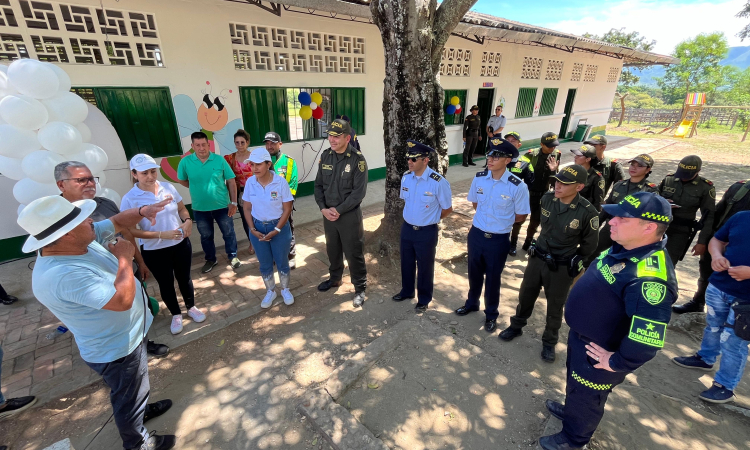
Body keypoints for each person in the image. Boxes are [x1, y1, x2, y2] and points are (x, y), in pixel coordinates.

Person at [19, 195, 176, 450]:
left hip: (128, 337)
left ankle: (142, 411)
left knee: (135, 392)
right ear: (67, 233)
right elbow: (122, 300)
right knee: (128, 399)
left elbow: (115, 221)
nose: (91, 221)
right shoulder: (61, 274)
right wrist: (125, 257)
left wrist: (143, 210)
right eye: (82, 220)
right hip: (116, 350)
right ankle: (138, 443)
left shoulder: (78, 241)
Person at [538, 191, 677, 450]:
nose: (611, 221)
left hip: (599, 353)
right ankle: (571, 413)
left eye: (622, 219)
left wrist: (617, 362)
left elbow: (647, 337)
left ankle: (574, 439)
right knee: (576, 387)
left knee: (588, 396)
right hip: (583, 338)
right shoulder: (625, 247)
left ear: (649, 227)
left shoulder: (650, 278)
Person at [55, 161, 169, 358]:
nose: (90, 183)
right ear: (61, 185)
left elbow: (123, 229)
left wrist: (139, 262)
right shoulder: (56, 216)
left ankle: (144, 342)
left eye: (91, 178)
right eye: (81, 180)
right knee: (114, 316)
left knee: (138, 307)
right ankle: (123, 355)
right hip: (101, 281)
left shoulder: (105, 203)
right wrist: (125, 259)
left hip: (126, 267)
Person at [499, 165, 599, 362]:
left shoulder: (588, 212)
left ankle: (549, 342)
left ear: (579, 187)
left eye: (564, 183)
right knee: (526, 295)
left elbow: (589, 246)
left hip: (561, 266)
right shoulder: (547, 199)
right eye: (557, 180)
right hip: (538, 258)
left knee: (555, 305)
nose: (557, 185)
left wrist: (573, 261)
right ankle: (516, 326)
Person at [121, 154, 206, 335]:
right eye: (145, 173)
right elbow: (128, 230)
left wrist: (188, 221)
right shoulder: (130, 198)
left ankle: (191, 307)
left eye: (153, 171)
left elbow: (182, 209)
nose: (150, 176)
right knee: (166, 283)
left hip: (180, 243)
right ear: (134, 174)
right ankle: (176, 314)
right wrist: (161, 234)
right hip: (155, 250)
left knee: (185, 278)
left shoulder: (168, 187)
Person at [672, 210, 750, 403]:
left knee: (735, 342)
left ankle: (725, 385)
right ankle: (706, 358)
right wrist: (716, 256)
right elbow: (717, 240)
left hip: (746, 300)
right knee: (713, 326)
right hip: (719, 286)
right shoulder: (742, 217)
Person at [454, 138, 530, 332]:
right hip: (477, 234)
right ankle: (472, 303)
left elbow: (521, 215)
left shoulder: (517, 186)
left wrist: (500, 222)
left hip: (498, 239)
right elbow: (475, 204)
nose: (491, 158)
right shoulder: (479, 178)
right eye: (490, 154)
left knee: (493, 279)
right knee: (474, 273)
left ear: (508, 159)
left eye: (497, 155)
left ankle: (491, 314)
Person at [392, 140, 453, 312]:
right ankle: (407, 291)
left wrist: (431, 219)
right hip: (407, 228)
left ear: (425, 160)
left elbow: (448, 208)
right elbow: (407, 201)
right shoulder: (406, 178)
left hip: (426, 231)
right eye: (408, 159)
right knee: (406, 262)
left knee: (425, 266)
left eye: (414, 159)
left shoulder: (438, 182)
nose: (409, 162)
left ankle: (424, 298)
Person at [673, 179, 750, 314]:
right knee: (707, 272)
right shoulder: (739, 188)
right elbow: (716, 214)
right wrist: (705, 241)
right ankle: (698, 301)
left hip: (742, 247)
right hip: (722, 239)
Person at [314, 119, 369, 307]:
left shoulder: (357, 160)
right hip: (328, 215)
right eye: (330, 135)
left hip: (348, 216)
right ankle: (335, 278)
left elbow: (358, 193)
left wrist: (337, 210)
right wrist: (323, 208)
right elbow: (318, 185)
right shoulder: (325, 156)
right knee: (333, 249)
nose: (332, 139)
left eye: (337, 136)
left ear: (347, 138)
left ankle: (360, 287)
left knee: (354, 252)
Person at [177, 131, 241, 273]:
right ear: (192, 146)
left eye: (204, 145)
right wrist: (195, 187)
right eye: (198, 145)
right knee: (206, 236)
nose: (201, 148)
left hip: (222, 206)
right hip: (200, 209)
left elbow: (231, 181)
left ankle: (233, 256)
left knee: (229, 233)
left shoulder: (219, 160)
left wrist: (234, 202)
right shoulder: (185, 162)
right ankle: (211, 259)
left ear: (209, 144)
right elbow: (182, 180)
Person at [583, 154, 658, 268]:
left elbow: (649, 218)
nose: (633, 168)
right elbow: (607, 207)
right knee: (592, 255)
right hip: (611, 227)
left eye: (639, 166)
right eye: (632, 164)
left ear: (648, 169)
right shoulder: (619, 185)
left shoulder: (650, 190)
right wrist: (595, 227)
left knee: (621, 262)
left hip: (631, 232)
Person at [241, 148, 295, 308]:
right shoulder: (250, 182)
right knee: (264, 264)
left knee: (282, 262)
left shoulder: (280, 182)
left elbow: (287, 209)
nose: (254, 168)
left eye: (258, 164)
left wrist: (277, 229)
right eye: (251, 164)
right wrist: (252, 229)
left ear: (268, 164)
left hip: (279, 228)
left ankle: (285, 289)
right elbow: (246, 208)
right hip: (258, 228)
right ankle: (270, 291)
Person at [657, 155, 715, 266]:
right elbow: (653, 198)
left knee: (667, 263)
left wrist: (702, 242)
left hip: (680, 231)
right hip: (659, 225)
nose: (683, 177)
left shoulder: (705, 187)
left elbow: (709, 216)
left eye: (687, 175)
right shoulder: (669, 179)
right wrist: (662, 202)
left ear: (698, 171)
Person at [264, 131, 299, 269]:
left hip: (284, 205)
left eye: (272, 143)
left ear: (280, 144)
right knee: (270, 230)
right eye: (267, 143)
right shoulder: (263, 161)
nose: (269, 146)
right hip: (268, 205)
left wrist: (286, 204)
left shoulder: (289, 162)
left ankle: (291, 256)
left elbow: (293, 184)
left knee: (288, 229)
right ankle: (275, 255)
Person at [521, 132, 561, 252]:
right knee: (519, 219)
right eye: (549, 146)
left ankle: (528, 241)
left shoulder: (556, 155)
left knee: (535, 220)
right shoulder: (530, 155)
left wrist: (553, 171)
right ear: (541, 144)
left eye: (554, 145)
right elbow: (520, 173)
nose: (552, 148)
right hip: (528, 193)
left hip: (543, 194)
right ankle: (512, 242)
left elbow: (555, 180)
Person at [225, 129, 255, 255]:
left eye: (242, 142)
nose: (240, 145)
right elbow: (226, 177)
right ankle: (252, 242)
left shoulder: (254, 157)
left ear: (247, 142)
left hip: (256, 191)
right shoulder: (229, 158)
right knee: (246, 218)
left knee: (259, 216)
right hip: (241, 193)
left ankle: (263, 239)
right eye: (237, 143)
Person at [504, 131, 534, 256]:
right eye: (507, 141)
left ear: (519, 145)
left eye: (513, 141)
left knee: (516, 224)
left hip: (515, 200)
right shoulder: (497, 157)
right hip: (499, 198)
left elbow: (530, 182)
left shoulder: (525, 162)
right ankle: (502, 243)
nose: (510, 143)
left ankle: (513, 245)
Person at [570, 145, 604, 212]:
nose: (575, 157)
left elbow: (598, 202)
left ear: (588, 159)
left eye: (579, 155)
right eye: (576, 155)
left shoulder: (596, 177)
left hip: (582, 212)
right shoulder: (571, 171)